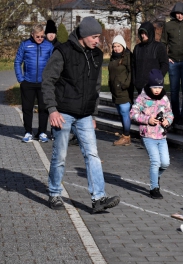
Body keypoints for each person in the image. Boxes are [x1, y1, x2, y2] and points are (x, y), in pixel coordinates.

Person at [41, 17, 120, 213]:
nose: (97, 41)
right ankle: (54, 193)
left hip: (85, 115)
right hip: (63, 113)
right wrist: (52, 110)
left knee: (92, 154)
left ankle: (99, 198)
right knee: (60, 155)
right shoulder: (63, 52)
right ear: (84, 35)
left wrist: (93, 114)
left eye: (99, 37)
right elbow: (47, 81)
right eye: (94, 37)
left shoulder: (97, 55)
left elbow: (95, 86)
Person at [130, 69, 174, 199]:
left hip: (161, 135)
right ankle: (154, 188)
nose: (157, 90)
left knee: (165, 163)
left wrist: (168, 121)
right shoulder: (142, 98)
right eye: (154, 87)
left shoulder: (164, 98)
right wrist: (147, 120)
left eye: (159, 87)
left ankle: (156, 177)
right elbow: (133, 114)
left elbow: (170, 113)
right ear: (149, 86)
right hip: (148, 135)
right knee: (155, 161)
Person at [14, 24, 53, 143]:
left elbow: (53, 64)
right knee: (27, 108)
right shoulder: (25, 45)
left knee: (43, 109)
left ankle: (42, 133)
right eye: (38, 36)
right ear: (32, 34)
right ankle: (28, 132)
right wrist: (21, 79)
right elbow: (17, 62)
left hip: (43, 83)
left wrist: (50, 80)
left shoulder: (49, 46)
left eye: (42, 36)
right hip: (28, 82)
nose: (40, 38)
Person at [108, 35, 133, 146]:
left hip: (124, 90)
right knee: (120, 112)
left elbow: (131, 72)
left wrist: (125, 85)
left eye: (118, 46)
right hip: (115, 90)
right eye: (114, 46)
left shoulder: (128, 57)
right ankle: (125, 134)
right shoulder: (113, 57)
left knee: (124, 112)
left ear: (123, 46)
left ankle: (126, 136)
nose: (116, 48)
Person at [132, 21, 169, 94]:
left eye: (145, 33)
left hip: (154, 86)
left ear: (150, 33)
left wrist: (158, 80)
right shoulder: (137, 48)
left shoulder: (159, 47)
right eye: (142, 33)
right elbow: (133, 66)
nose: (143, 35)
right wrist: (135, 81)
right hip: (140, 86)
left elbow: (164, 64)